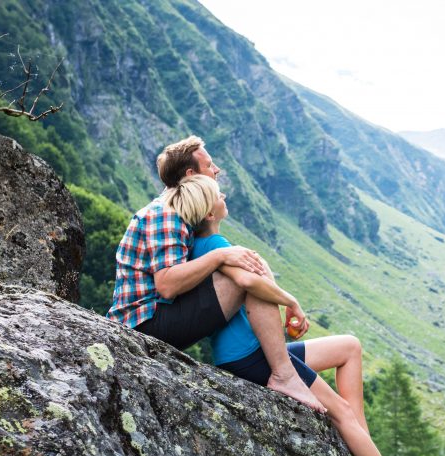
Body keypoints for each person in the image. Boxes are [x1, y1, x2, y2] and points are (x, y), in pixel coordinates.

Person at [170, 173, 442, 456]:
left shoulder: (204, 246)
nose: (224, 194)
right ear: (209, 214)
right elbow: (249, 283)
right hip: (250, 357)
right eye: (217, 194)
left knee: (349, 346)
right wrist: (291, 302)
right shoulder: (216, 247)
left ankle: (361, 441)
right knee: (338, 410)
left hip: (259, 350)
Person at [106, 136, 323, 412]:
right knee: (244, 277)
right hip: (143, 324)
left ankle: (279, 366)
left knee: (244, 267)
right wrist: (222, 256)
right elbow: (167, 285)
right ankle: (284, 374)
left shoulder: (180, 213)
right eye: (210, 165)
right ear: (191, 175)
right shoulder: (166, 213)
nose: (217, 170)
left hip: (156, 316)